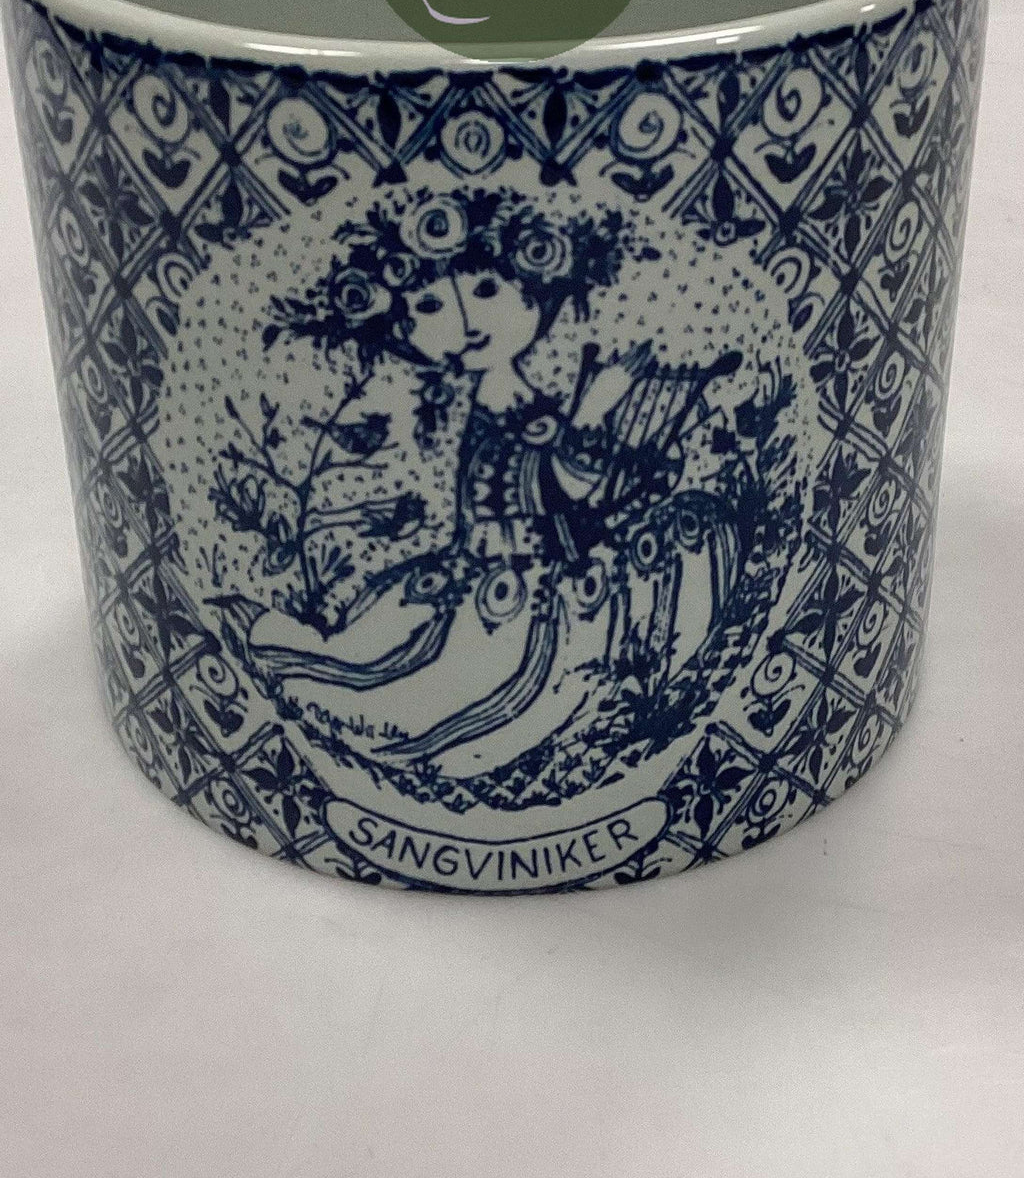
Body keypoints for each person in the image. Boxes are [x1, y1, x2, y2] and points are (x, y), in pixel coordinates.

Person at [241, 186, 751, 781]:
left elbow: (572, 488)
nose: (466, 323)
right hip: (509, 573)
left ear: (537, 291)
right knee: (427, 678)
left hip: (540, 553)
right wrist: (592, 414)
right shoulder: (493, 410)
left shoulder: (522, 400)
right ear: (404, 328)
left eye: (486, 291)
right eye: (431, 305)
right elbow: (549, 489)